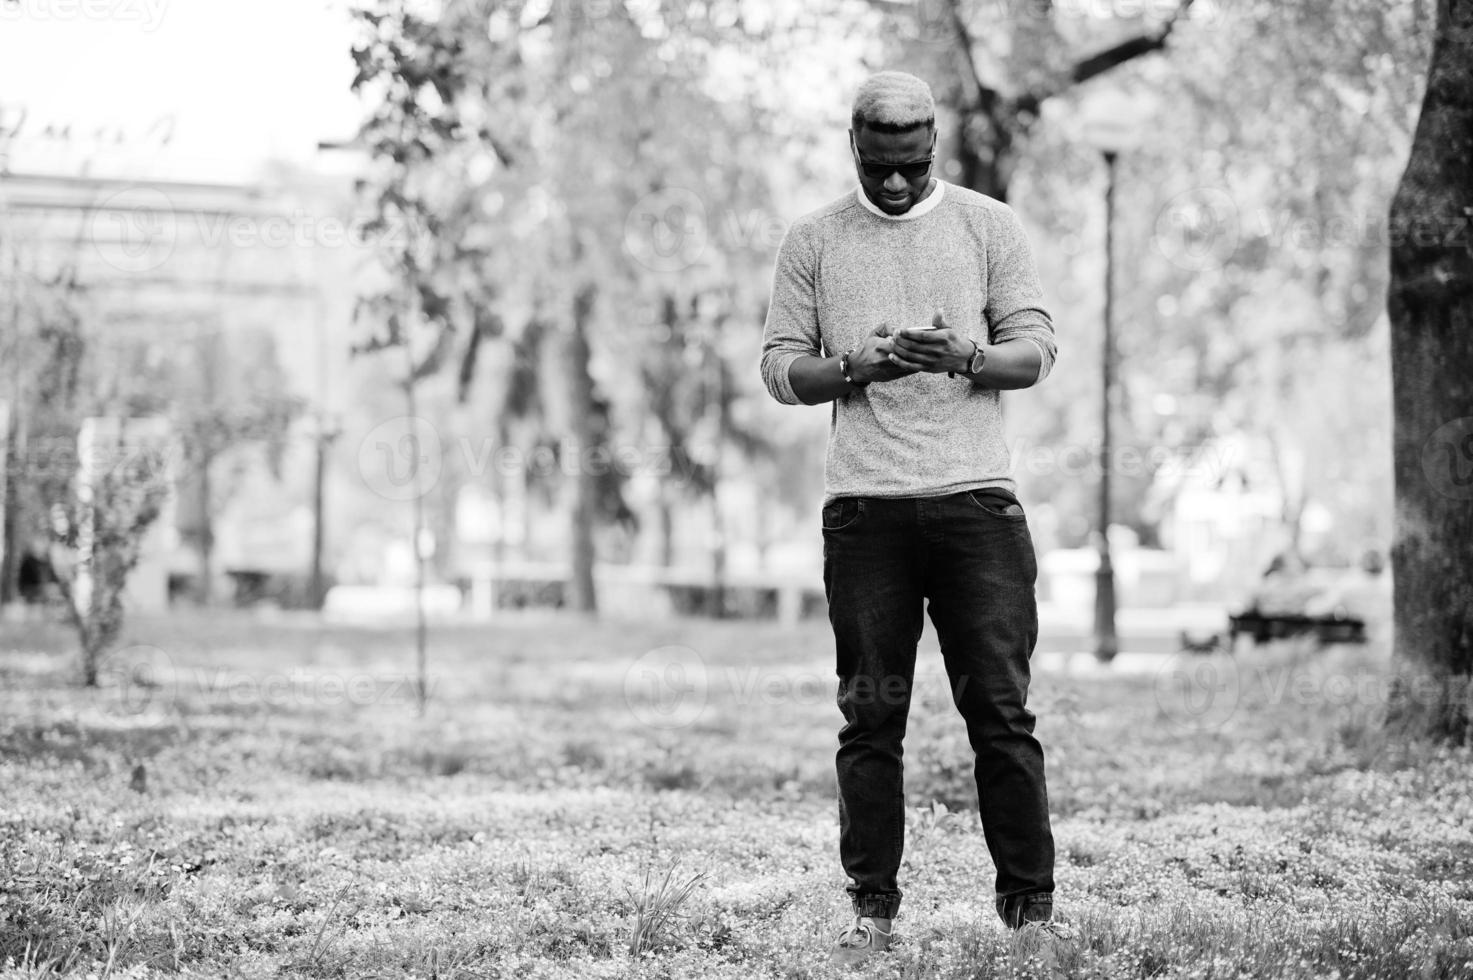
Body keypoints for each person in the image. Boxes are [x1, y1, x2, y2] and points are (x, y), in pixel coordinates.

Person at [759, 70, 1062, 966]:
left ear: (934, 147)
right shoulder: (812, 239)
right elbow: (780, 370)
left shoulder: (987, 225)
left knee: (1001, 715)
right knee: (870, 719)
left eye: (911, 165)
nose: (895, 184)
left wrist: (968, 356)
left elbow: (1036, 350)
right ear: (853, 146)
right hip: (866, 515)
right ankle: (873, 911)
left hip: (977, 506)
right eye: (878, 165)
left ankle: (1030, 913)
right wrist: (855, 368)